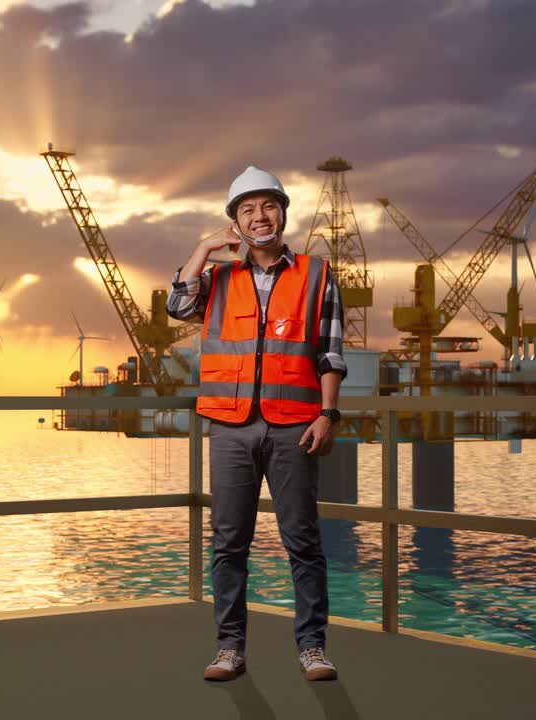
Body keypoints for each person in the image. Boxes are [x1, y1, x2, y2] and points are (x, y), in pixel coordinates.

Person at [167, 165, 346, 682]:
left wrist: (327, 413)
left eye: (268, 206)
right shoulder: (217, 278)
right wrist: (204, 248)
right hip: (229, 426)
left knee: (303, 541)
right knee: (229, 543)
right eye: (247, 210)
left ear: (282, 213)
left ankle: (313, 649)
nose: (259, 217)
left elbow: (330, 351)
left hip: (295, 425)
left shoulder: (316, 274)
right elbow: (177, 306)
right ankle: (229, 649)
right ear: (236, 222)